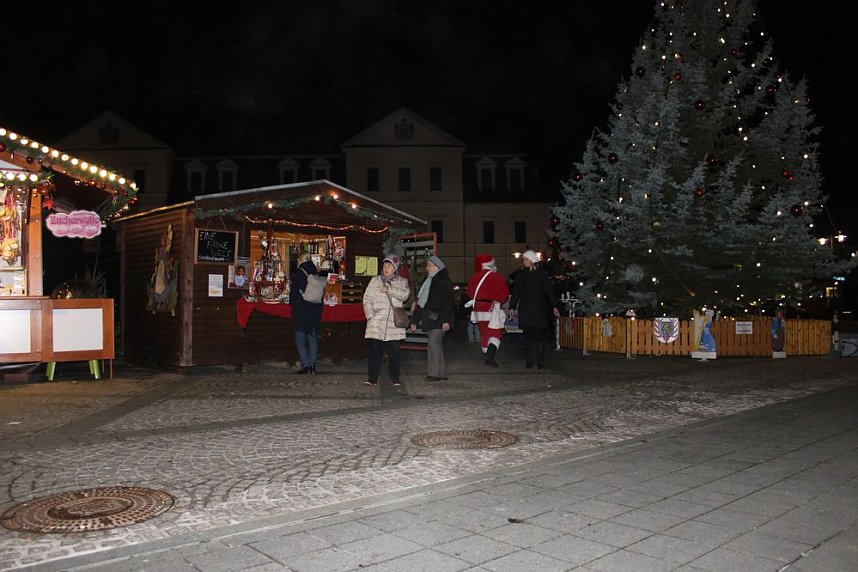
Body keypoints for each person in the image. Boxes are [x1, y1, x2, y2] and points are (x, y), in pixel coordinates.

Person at [363, 254, 410, 386]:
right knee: (375, 351)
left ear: (395, 268)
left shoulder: (402, 281)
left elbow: (405, 295)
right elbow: (367, 299)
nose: (386, 267)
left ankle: (395, 378)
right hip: (377, 322)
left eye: (389, 265)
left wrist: (389, 289)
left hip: (394, 323)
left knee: (394, 351)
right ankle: (372, 379)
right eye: (384, 264)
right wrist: (370, 316)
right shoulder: (375, 280)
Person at [509, 250, 560, 369]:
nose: (524, 261)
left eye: (527, 259)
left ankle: (540, 361)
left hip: (539, 309)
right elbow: (516, 291)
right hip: (525, 309)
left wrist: (554, 306)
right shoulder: (521, 275)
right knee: (527, 337)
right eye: (524, 259)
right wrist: (512, 306)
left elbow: (548, 291)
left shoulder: (541, 274)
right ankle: (529, 360)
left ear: (532, 261)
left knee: (539, 336)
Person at [409, 255, 456, 381]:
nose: (427, 268)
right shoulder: (428, 282)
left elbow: (448, 303)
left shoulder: (444, 282)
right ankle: (442, 373)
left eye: (430, 266)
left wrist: (446, 320)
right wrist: (414, 321)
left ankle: (434, 374)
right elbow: (421, 303)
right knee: (436, 345)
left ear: (437, 267)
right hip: (430, 319)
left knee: (433, 343)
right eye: (428, 265)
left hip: (440, 320)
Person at [465, 253, 510, 368]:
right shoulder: (497, 277)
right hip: (492, 307)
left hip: (478, 308)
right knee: (496, 331)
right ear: (491, 264)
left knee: (484, 332)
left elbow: (469, 293)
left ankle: (486, 351)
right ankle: (490, 356)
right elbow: (504, 294)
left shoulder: (474, 277)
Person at [290, 251, 324, 374]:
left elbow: (294, 292)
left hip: (302, 307)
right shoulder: (316, 272)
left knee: (300, 337)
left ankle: (306, 365)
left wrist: (292, 304)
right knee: (312, 336)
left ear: (300, 260)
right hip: (315, 307)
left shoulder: (298, 272)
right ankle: (313, 366)